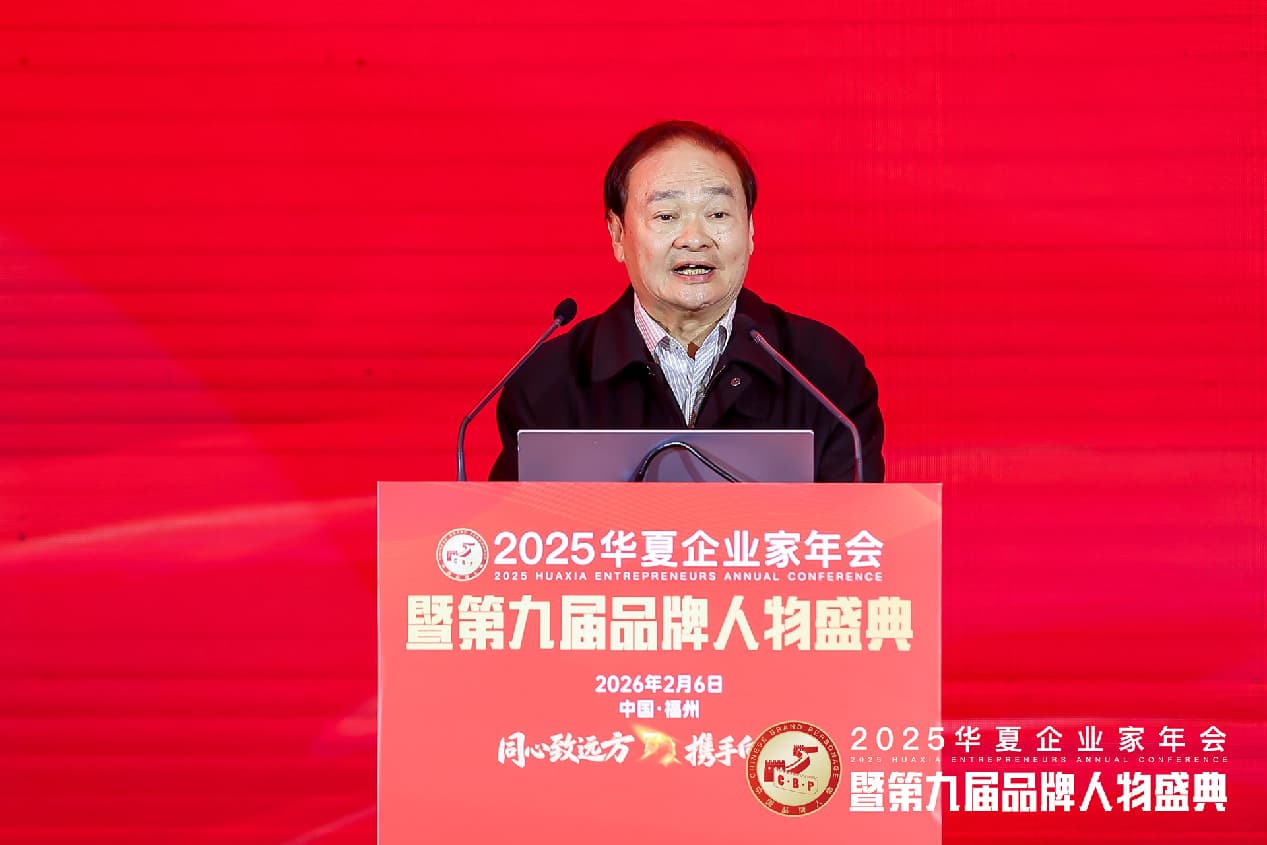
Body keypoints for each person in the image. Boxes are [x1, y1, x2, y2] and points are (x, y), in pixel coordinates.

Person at [489, 120, 883, 482]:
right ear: (617, 234)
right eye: (666, 216)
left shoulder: (824, 373)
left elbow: (859, 529)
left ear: (750, 229)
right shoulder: (548, 383)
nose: (694, 238)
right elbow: (516, 531)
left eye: (718, 214)